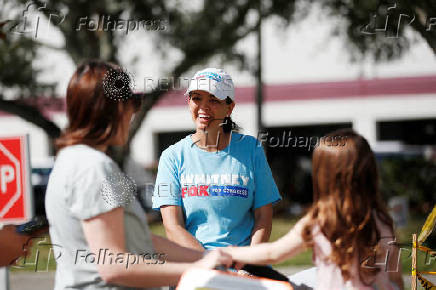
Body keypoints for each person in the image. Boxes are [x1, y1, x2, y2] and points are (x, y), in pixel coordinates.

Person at [45, 60, 231, 290]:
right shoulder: (95, 168)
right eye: (132, 103)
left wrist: (208, 258)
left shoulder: (70, 160)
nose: (133, 114)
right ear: (117, 109)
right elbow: (114, 266)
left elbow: (142, 240)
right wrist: (199, 271)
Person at [222, 129, 404, 290]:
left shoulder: (321, 220)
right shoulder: (381, 220)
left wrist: (230, 253)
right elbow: (395, 278)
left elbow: (274, 253)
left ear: (324, 177)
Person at [152, 68, 282, 256]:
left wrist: (249, 263)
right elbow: (173, 227)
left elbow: (263, 218)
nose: (204, 107)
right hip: (196, 267)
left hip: (245, 269)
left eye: (213, 100)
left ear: (229, 108)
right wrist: (212, 264)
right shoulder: (172, 157)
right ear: (189, 102)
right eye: (197, 98)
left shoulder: (251, 149)